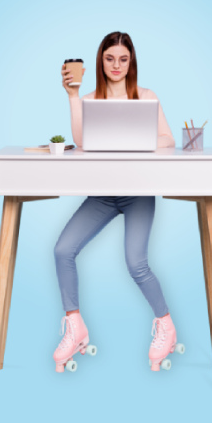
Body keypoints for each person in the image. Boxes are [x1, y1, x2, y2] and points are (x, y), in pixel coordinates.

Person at [52, 31, 179, 373]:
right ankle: (75, 325)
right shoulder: (90, 99)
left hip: (138, 192)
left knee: (136, 263)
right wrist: (73, 95)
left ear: (131, 61)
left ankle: (166, 325)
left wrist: (136, 139)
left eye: (123, 59)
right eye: (110, 59)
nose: (117, 66)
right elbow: (79, 141)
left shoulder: (146, 96)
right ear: (101, 61)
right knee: (63, 250)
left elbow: (168, 140)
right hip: (103, 194)